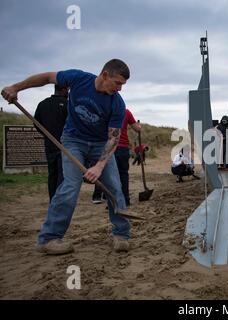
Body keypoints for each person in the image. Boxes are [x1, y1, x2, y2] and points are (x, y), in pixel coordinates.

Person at [1, 59, 132, 254]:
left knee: (114, 186)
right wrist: (16, 87)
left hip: (99, 145)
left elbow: (113, 138)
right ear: (105, 75)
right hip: (73, 141)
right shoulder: (78, 79)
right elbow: (46, 77)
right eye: (117, 83)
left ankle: (122, 235)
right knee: (69, 187)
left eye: (123, 85)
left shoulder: (117, 103)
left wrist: (98, 166)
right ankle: (49, 239)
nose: (120, 89)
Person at [92, 108, 141, 206]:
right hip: (122, 147)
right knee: (123, 174)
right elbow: (137, 129)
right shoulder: (126, 112)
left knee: (110, 175)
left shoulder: (106, 110)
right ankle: (125, 199)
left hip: (109, 146)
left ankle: (111, 200)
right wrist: (139, 126)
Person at [34, 84, 68, 201]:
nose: (68, 92)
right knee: (61, 175)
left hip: (49, 145)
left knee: (52, 174)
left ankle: (53, 200)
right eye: (67, 89)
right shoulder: (67, 105)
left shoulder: (42, 104)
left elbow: (36, 124)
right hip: (64, 146)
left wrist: (46, 135)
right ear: (63, 89)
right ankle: (58, 201)